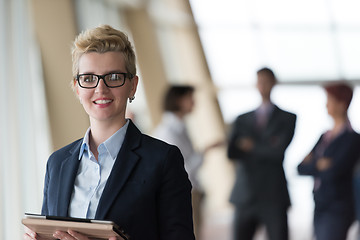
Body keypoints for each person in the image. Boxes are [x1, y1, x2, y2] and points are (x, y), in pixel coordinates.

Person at [24, 25, 195, 240]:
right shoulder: (57, 163)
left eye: (114, 77)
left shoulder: (163, 160)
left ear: (132, 86)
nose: (100, 89)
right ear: (77, 87)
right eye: (88, 78)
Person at [227, 67, 296, 240]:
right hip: (245, 195)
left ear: (274, 83)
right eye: (259, 81)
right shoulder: (241, 119)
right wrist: (266, 146)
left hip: (273, 195)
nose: (263, 85)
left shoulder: (288, 118)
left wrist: (251, 146)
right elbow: (232, 152)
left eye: (266, 81)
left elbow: (277, 153)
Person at [152, 85, 222, 239]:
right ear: (178, 100)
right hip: (184, 193)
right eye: (190, 98)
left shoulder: (178, 128)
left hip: (189, 191)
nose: (194, 103)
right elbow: (185, 169)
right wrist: (206, 150)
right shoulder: (168, 132)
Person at [298, 82, 360, 240]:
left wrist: (314, 163)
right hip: (319, 203)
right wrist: (320, 164)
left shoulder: (352, 138)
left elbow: (335, 171)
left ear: (342, 104)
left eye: (330, 100)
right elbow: (300, 167)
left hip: (338, 206)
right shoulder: (325, 136)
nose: (326, 104)